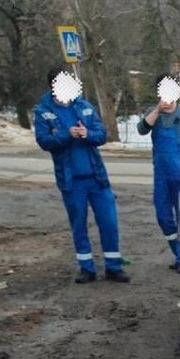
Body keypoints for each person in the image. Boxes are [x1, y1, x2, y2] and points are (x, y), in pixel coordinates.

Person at [33, 67, 129, 283]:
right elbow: (44, 141)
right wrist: (66, 136)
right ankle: (86, 268)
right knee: (79, 223)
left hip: (97, 177)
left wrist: (87, 134)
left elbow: (101, 135)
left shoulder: (84, 106)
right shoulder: (43, 111)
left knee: (109, 222)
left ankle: (114, 266)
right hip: (71, 180)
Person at [138, 74, 180, 271]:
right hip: (161, 174)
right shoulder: (154, 113)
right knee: (163, 216)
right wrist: (157, 110)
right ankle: (178, 252)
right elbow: (141, 129)